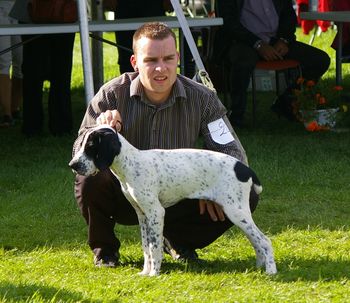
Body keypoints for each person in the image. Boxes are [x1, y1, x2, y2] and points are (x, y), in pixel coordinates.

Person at [72, 22, 259, 267]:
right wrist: (100, 128)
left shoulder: (202, 98)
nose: (161, 68)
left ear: (178, 59)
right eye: (150, 60)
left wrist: (214, 181)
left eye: (168, 58)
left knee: (245, 191)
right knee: (90, 178)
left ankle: (177, 240)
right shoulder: (111, 94)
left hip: (180, 195)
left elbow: (232, 151)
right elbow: (79, 151)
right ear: (134, 63)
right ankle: (105, 250)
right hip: (126, 196)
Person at [213, 0, 331, 126]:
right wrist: (257, 44)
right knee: (243, 62)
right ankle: (236, 115)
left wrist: (284, 39)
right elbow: (228, 22)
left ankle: (287, 102)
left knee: (320, 60)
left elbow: (289, 15)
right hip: (242, 40)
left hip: (275, 40)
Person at [10, 0, 75, 136]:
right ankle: (53, 126)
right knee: (37, 72)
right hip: (41, 13)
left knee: (52, 72)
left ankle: (39, 126)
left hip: (62, 13)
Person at [0, 0, 22, 127]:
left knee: (21, 63)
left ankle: (15, 108)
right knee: (4, 62)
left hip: (20, 11)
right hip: (2, 10)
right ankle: (7, 114)